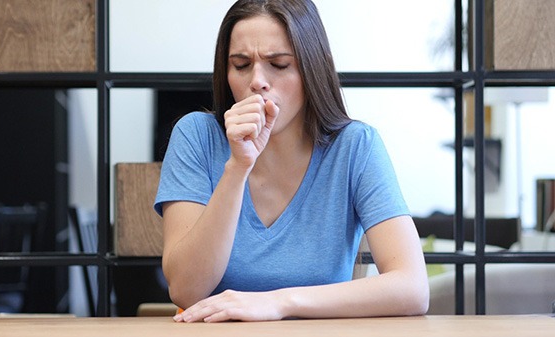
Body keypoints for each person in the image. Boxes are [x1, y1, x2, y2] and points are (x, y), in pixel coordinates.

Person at [154, 0, 429, 322]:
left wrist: (279, 303)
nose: (257, 81)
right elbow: (187, 290)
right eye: (241, 65)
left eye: (280, 64)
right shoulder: (196, 135)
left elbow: (412, 287)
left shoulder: (356, 146)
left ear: (312, 69)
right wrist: (237, 168)